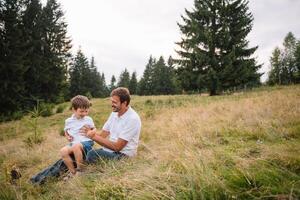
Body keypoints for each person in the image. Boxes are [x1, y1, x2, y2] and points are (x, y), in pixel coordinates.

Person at [81, 87, 142, 162]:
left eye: (115, 102)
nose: (112, 104)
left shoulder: (132, 119)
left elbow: (117, 147)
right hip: (110, 151)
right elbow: (102, 136)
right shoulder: (114, 113)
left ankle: (83, 170)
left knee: (92, 154)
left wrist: (93, 136)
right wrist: (89, 133)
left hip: (123, 155)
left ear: (124, 103)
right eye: (111, 101)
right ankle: (68, 169)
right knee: (82, 150)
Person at [60, 95, 95, 177]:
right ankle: (73, 172)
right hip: (74, 142)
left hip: (86, 142)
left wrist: (91, 132)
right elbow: (66, 131)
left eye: (86, 111)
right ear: (74, 110)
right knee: (63, 151)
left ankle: (80, 170)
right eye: (81, 111)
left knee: (76, 147)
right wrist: (67, 136)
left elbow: (94, 129)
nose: (84, 114)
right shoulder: (68, 121)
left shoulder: (88, 119)